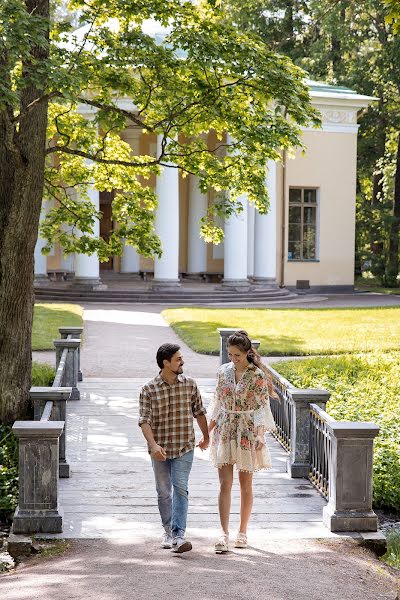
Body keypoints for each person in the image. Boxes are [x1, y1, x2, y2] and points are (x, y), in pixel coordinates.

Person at [208, 330, 276, 553]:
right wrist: (206, 433)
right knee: (224, 484)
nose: (233, 359)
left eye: (237, 355)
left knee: (246, 485)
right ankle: (223, 534)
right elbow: (217, 405)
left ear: (247, 353)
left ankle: (242, 532)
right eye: (230, 355)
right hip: (226, 431)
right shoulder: (222, 372)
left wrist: (259, 434)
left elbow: (260, 409)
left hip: (246, 431)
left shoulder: (256, 376)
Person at [139, 343, 209, 553]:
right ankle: (168, 530)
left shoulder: (190, 385)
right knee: (163, 492)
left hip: (184, 446)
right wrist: (153, 445)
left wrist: (206, 437)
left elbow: (199, 412)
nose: (182, 362)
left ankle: (179, 535)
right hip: (160, 449)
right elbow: (144, 421)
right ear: (165, 363)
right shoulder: (148, 390)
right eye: (178, 359)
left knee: (180, 488)